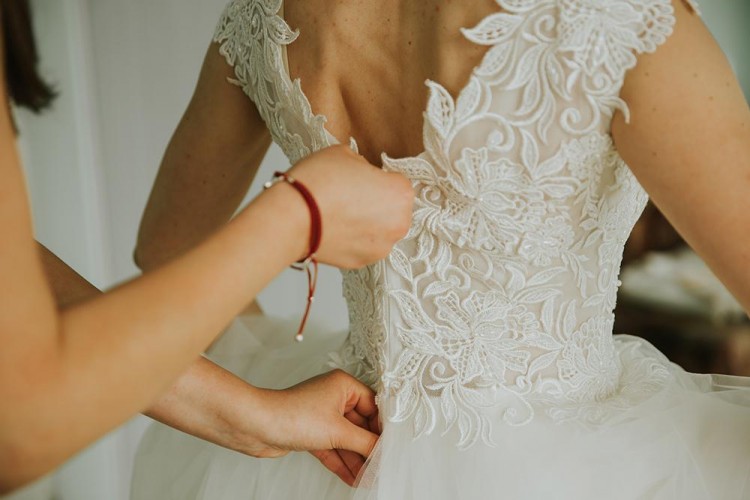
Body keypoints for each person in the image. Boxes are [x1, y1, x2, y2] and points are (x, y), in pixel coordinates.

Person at [129, 0, 750, 498]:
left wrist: (255, 371)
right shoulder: (614, 19)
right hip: (583, 470)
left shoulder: (263, 15)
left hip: (342, 452)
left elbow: (167, 249)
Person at [0, 0, 416, 494]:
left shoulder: (270, 12)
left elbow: (165, 246)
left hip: (330, 436)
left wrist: (252, 414)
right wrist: (296, 214)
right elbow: (20, 420)